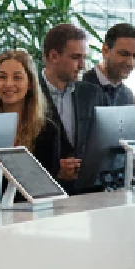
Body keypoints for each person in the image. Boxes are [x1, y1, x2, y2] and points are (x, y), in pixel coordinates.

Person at [0, 50, 76, 182]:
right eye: (2, 77)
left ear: (30, 84)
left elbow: (46, 185)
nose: (9, 84)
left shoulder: (47, 130)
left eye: (17, 77)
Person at [82, 23, 135, 191]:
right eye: (124, 54)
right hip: (85, 191)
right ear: (105, 50)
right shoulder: (81, 88)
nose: (130, 62)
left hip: (119, 189)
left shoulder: (128, 95)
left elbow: (132, 145)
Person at [38, 23, 97, 188]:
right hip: (43, 193)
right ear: (54, 56)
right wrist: (53, 170)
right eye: (76, 57)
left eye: (84, 58)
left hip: (84, 192)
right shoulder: (29, 93)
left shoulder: (91, 94)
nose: (82, 65)